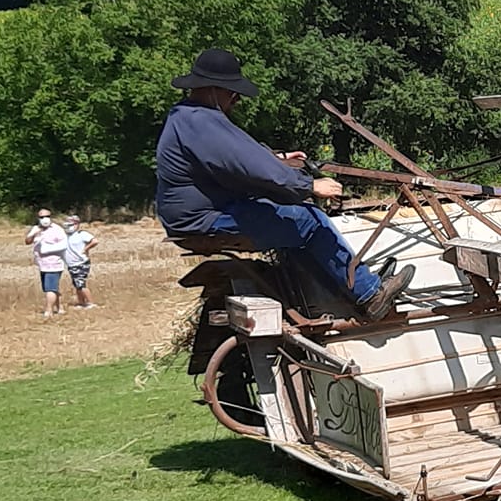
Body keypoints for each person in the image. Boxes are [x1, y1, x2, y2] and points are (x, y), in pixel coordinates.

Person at [154, 47, 414, 320]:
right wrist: (309, 186)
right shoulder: (201, 120)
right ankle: (369, 294)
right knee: (310, 219)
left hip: (197, 214)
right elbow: (248, 164)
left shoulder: (187, 117)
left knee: (296, 228)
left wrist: (276, 158)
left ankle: (342, 291)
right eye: (233, 93)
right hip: (204, 218)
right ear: (214, 89)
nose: (236, 101)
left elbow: (238, 156)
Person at [62, 214, 98, 310]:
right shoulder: (65, 236)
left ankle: (91, 303)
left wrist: (86, 248)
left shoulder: (82, 234)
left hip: (81, 263)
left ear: (77, 224)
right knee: (77, 284)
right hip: (71, 264)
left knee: (81, 284)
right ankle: (81, 303)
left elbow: (94, 241)